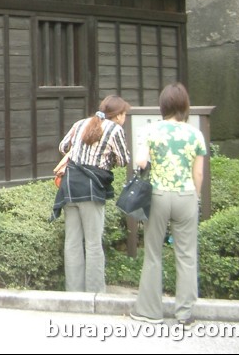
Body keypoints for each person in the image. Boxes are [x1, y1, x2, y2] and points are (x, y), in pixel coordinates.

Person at [130, 82, 207, 326]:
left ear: (163, 105)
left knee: (153, 253)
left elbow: (141, 161)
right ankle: (184, 314)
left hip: (159, 195)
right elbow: (199, 175)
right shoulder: (195, 133)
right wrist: (195, 196)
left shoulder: (152, 130)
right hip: (186, 196)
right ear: (185, 105)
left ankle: (150, 312)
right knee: (186, 255)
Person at [50, 95, 131, 293]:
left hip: (69, 186)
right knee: (93, 243)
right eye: (125, 114)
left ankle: (74, 292)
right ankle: (95, 293)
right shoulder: (115, 129)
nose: (125, 118)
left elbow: (63, 147)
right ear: (119, 115)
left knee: (72, 242)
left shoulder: (81, 123)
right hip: (92, 188)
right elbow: (123, 160)